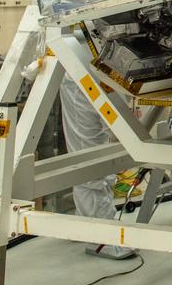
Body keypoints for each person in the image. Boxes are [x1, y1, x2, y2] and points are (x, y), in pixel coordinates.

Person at [58, 70, 137, 260]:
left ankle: (85, 223)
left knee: (94, 153)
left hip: (102, 74)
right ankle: (100, 238)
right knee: (88, 158)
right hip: (84, 78)